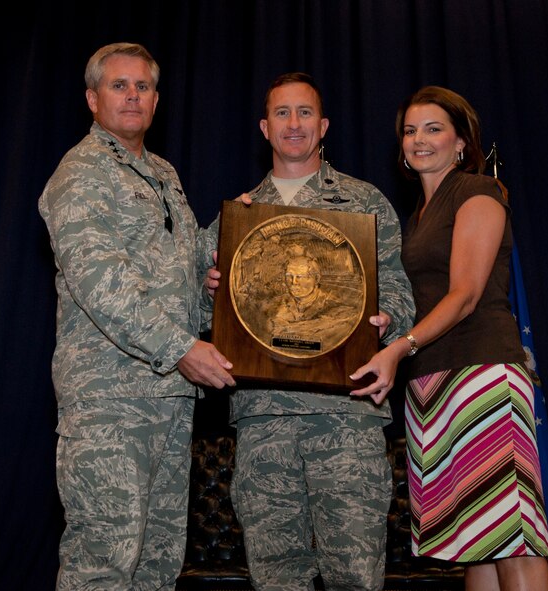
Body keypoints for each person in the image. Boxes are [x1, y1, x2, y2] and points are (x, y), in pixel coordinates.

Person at [204, 72, 415, 591]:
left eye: (304, 113)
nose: (293, 124)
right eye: (282, 113)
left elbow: (400, 293)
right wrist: (211, 292)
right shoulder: (237, 217)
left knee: (355, 577)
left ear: (323, 126)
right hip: (264, 422)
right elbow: (200, 316)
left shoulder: (364, 203)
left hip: (346, 418)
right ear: (264, 127)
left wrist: (387, 320)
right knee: (277, 578)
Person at [38, 42, 236, 590]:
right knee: (103, 561)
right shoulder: (82, 173)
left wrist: (231, 248)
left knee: (157, 565)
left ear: (156, 100)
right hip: (110, 403)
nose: (132, 96)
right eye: (119, 85)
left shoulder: (163, 173)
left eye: (143, 86)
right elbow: (102, 282)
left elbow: (184, 275)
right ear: (92, 99)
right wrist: (181, 348)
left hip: (169, 398)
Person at [349, 86, 548, 590]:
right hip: (430, 382)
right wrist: (386, 322)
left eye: (433, 129)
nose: (419, 139)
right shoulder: (417, 215)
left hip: (481, 376)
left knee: (512, 539)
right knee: (473, 545)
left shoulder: (478, 192)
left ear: (461, 142)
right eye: (410, 131)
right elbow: (422, 297)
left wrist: (398, 347)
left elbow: (464, 296)